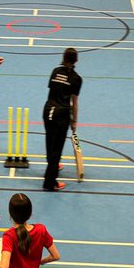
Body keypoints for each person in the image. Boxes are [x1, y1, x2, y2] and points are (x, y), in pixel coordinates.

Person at [42, 48, 81, 188]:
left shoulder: (55, 71)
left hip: (48, 111)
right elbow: (74, 103)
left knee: (50, 142)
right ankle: (50, 182)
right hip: (61, 115)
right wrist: (74, 121)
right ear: (76, 60)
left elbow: (52, 90)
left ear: (63, 58)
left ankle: (52, 165)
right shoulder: (76, 79)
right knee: (57, 149)